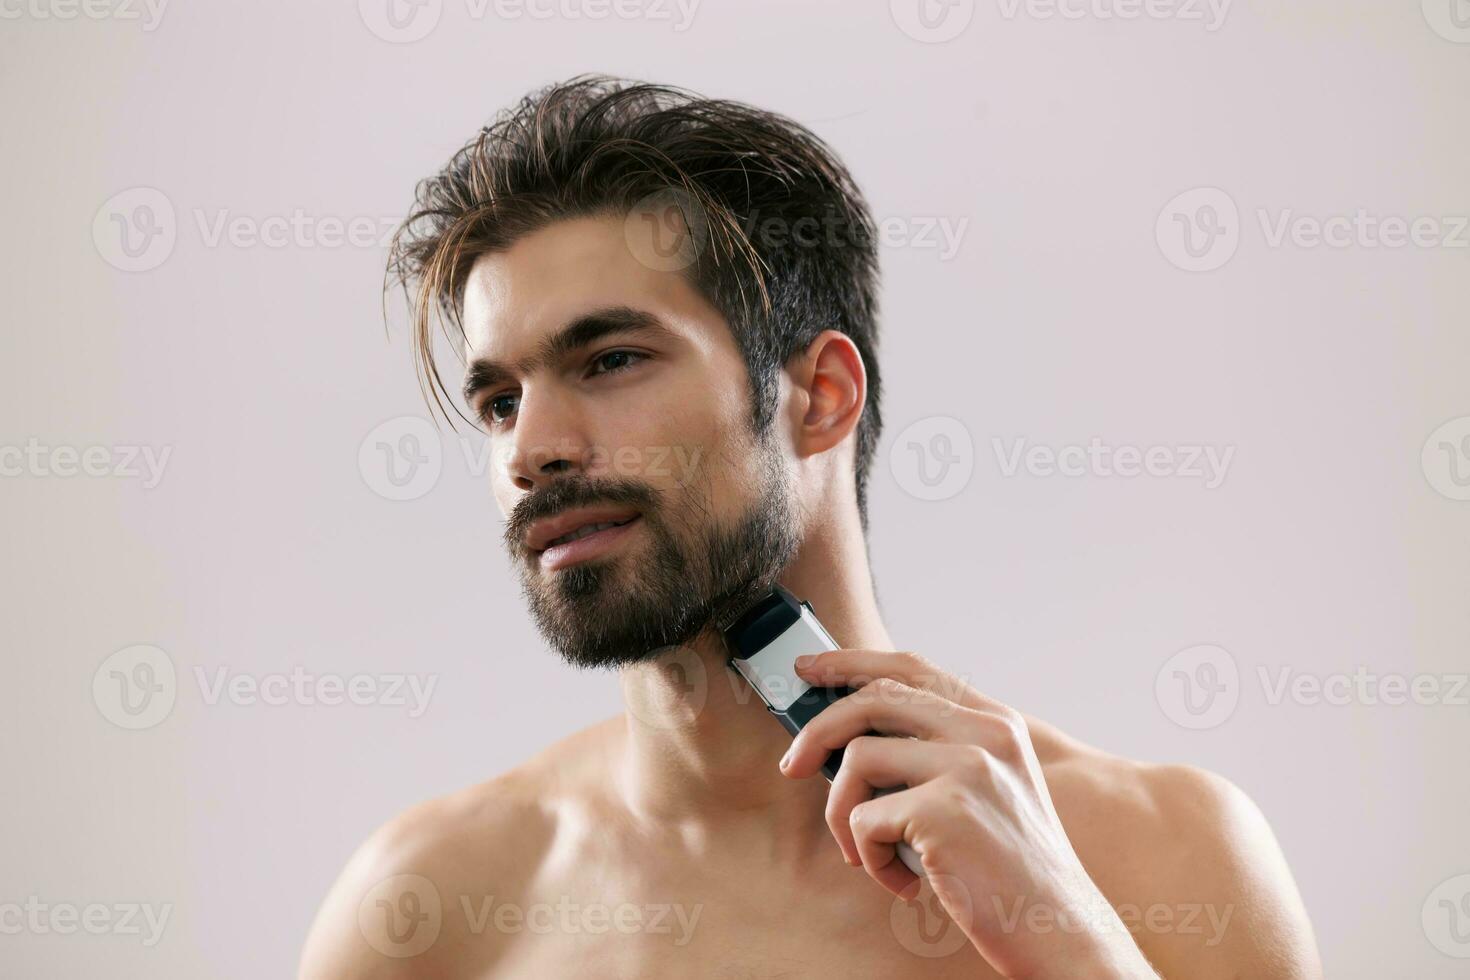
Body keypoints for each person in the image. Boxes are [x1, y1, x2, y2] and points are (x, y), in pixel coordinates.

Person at [300, 75, 1322, 978]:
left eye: (609, 359)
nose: (533, 449)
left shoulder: (1167, 856)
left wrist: (1069, 937)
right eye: (500, 401)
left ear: (820, 395)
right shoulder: (424, 912)